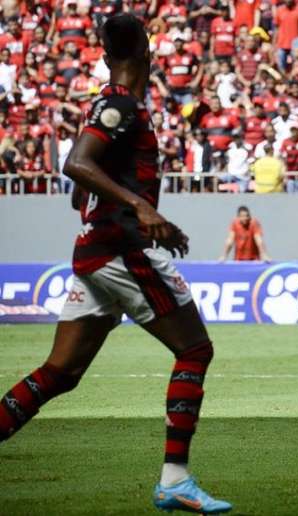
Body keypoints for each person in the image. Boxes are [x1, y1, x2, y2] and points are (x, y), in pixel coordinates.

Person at [0, 15, 232, 514]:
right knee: (195, 349)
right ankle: (174, 479)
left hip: (95, 250)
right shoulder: (120, 105)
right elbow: (76, 164)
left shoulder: (112, 107)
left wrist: (129, 204)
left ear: (105, 57)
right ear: (148, 52)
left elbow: (78, 193)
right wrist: (143, 208)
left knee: (60, 372)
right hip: (120, 251)